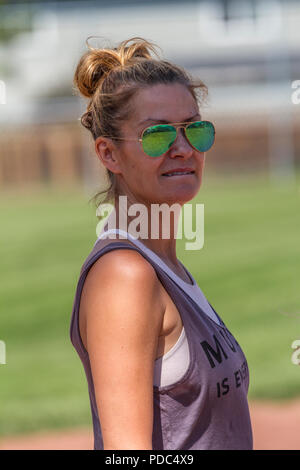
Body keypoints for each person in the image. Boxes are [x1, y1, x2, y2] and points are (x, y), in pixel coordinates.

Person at [70, 36, 253, 450]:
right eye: (157, 135)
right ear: (109, 154)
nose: (184, 149)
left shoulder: (167, 267)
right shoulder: (125, 275)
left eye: (196, 129)